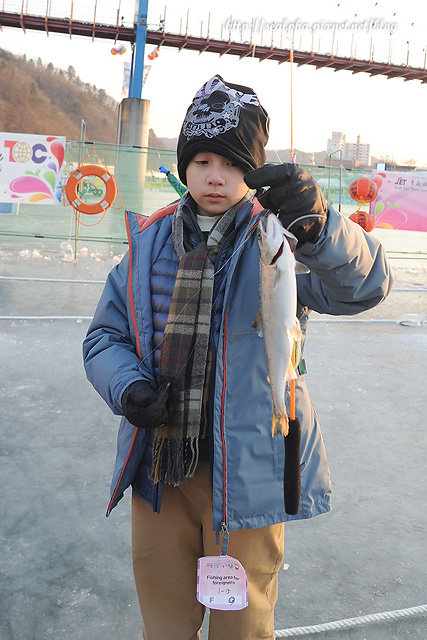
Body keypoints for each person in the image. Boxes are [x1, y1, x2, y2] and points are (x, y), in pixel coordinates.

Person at [83, 75, 393, 640]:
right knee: (164, 617)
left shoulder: (281, 240)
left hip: (249, 476)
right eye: (202, 160)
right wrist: (127, 386)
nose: (216, 175)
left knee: (243, 624)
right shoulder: (147, 243)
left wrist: (322, 230)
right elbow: (105, 336)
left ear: (253, 171)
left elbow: (365, 287)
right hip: (159, 471)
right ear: (184, 166)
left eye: (232, 163)